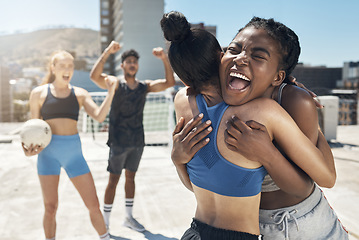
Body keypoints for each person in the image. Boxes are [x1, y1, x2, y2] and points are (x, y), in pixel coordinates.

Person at [161, 11, 342, 240]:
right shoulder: (215, 102)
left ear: (278, 77)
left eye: (258, 56)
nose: (240, 59)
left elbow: (321, 179)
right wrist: (178, 158)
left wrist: (270, 152)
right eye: (233, 50)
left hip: (296, 224)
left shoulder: (290, 101)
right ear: (219, 59)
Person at [22, 50, 116, 240]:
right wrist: (29, 150)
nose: (67, 70)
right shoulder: (38, 94)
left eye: (70, 66)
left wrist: (111, 92)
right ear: (53, 68)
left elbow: (98, 116)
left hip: (74, 156)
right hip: (47, 156)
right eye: (62, 65)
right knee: (50, 207)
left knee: (93, 205)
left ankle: (105, 237)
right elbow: (34, 128)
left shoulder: (80, 94)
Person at [90, 41, 175, 232]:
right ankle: (105, 222)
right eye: (128, 61)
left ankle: (128, 218)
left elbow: (169, 83)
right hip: (118, 141)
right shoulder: (115, 84)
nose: (132, 64)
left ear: (137, 65)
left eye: (134, 61)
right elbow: (94, 76)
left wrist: (165, 58)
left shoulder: (144, 87)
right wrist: (106, 52)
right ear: (122, 66)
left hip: (137, 141)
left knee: (131, 179)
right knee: (113, 181)